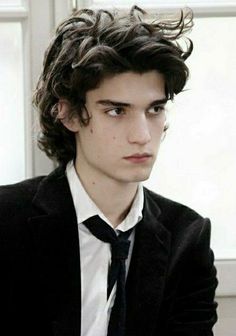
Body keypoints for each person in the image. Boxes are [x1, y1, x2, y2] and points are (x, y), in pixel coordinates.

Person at [0, 5, 218, 336]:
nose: (143, 135)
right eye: (117, 110)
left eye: (155, 109)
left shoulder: (187, 238)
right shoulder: (7, 222)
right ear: (69, 114)